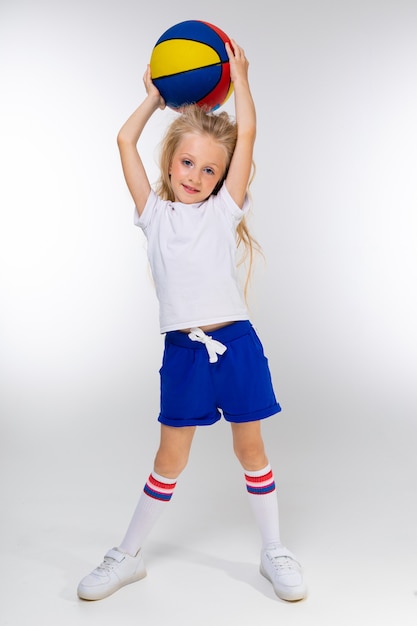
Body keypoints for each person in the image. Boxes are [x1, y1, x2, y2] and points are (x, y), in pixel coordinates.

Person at [77, 38, 306, 603]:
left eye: (210, 169)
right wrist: (156, 98)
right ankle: (127, 556)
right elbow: (124, 139)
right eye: (187, 162)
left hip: (237, 345)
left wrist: (242, 78)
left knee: (250, 451)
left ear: (223, 178)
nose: (197, 176)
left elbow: (246, 135)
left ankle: (273, 550)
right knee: (169, 458)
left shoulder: (224, 210)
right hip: (183, 352)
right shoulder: (152, 214)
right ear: (170, 159)